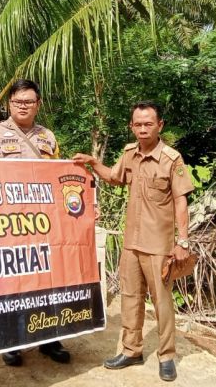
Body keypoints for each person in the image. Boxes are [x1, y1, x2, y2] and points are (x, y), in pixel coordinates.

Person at [73, 101, 195, 382]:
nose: (142, 129)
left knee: (162, 301)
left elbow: (181, 201)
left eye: (148, 124)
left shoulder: (171, 159)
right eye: (137, 124)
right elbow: (114, 177)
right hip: (131, 242)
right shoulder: (130, 153)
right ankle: (131, 350)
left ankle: (167, 356)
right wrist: (93, 163)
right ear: (131, 126)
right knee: (130, 298)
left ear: (160, 125)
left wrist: (183, 241)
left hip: (159, 244)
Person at [0, 78, 70, 367]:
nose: (23, 106)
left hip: (43, 222)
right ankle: (12, 340)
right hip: (8, 222)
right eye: (17, 102)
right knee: (12, 281)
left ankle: (50, 337)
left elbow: (58, 175)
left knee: (48, 279)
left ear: (38, 104)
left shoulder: (47, 136)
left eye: (29, 102)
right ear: (9, 104)